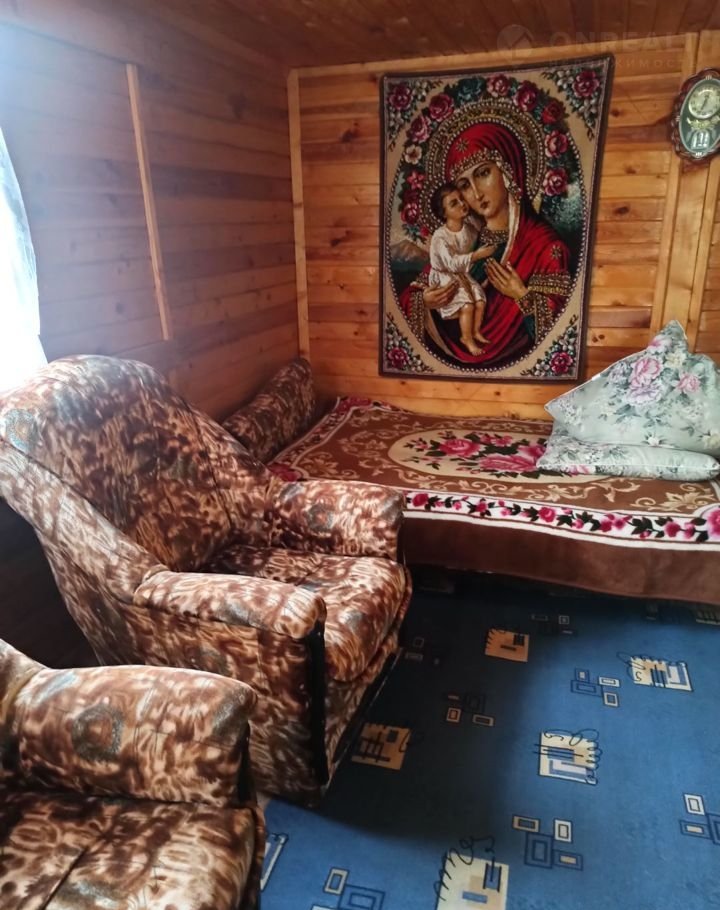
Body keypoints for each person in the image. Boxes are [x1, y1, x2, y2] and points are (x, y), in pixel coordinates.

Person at [399, 121, 572, 369]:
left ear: (507, 171)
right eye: (464, 185)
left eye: (482, 173)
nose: (476, 193)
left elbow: (559, 337)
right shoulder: (464, 239)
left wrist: (522, 296)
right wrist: (426, 301)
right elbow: (410, 297)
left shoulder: (544, 246)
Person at [428, 182, 497, 355]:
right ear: (444, 213)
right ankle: (466, 338)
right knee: (467, 305)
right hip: (445, 277)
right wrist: (476, 256)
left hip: (462, 274)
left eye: (461, 199)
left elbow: (477, 239)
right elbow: (451, 263)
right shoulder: (440, 236)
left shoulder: (469, 228)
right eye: (454, 203)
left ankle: (475, 332)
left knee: (480, 300)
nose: (462, 204)